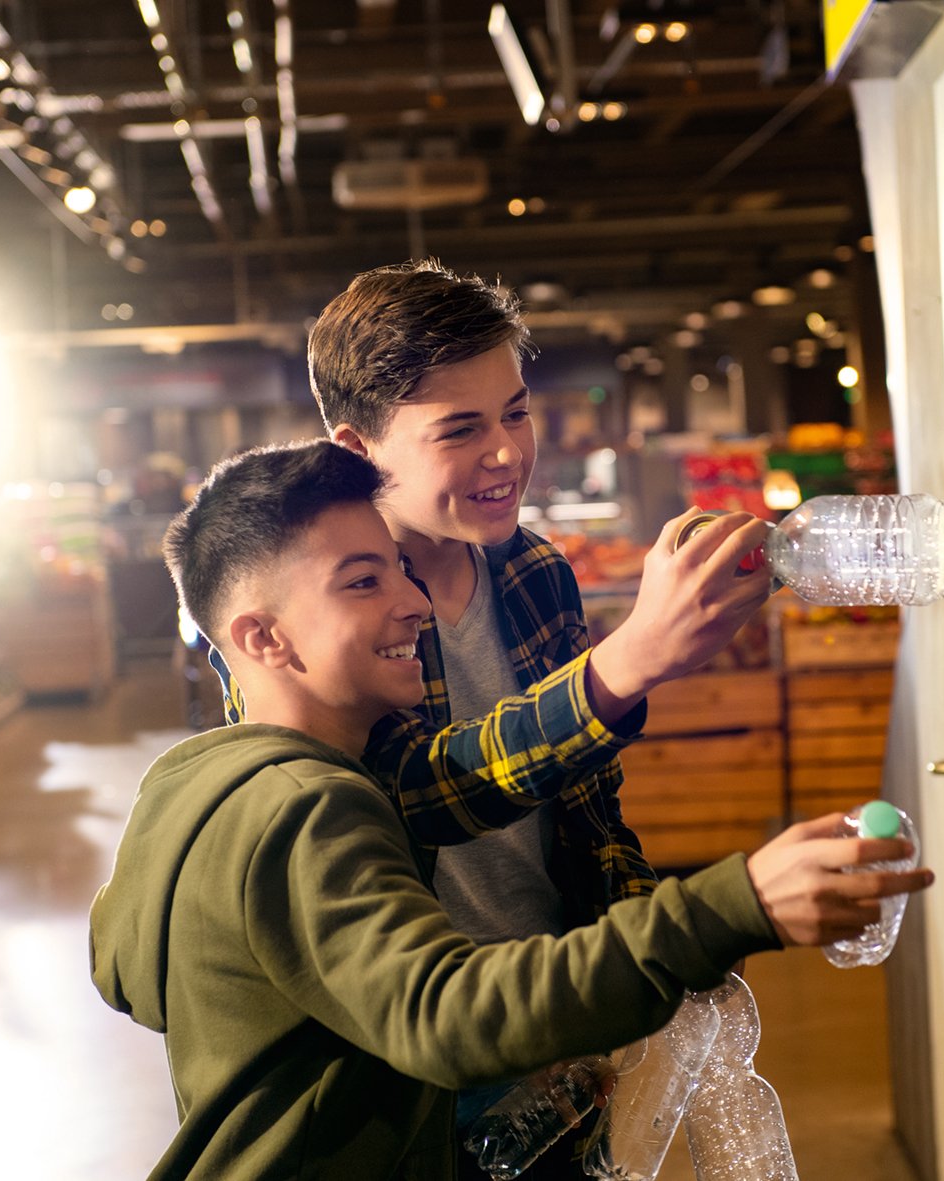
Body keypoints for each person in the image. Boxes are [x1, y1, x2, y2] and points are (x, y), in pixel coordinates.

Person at [90, 440, 934, 1180]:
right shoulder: (305, 806)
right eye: (362, 581)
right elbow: (443, 1014)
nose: (412, 601)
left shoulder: (187, 781)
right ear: (264, 639)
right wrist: (733, 903)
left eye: (396, 567)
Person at [210, 259, 779, 1175]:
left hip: (557, 1034)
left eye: (515, 411)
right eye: (461, 429)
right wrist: (626, 662)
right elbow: (409, 793)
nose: (508, 452)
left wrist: (648, 962)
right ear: (359, 450)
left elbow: (590, 812)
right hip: (411, 1062)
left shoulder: (534, 571)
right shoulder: (312, 618)